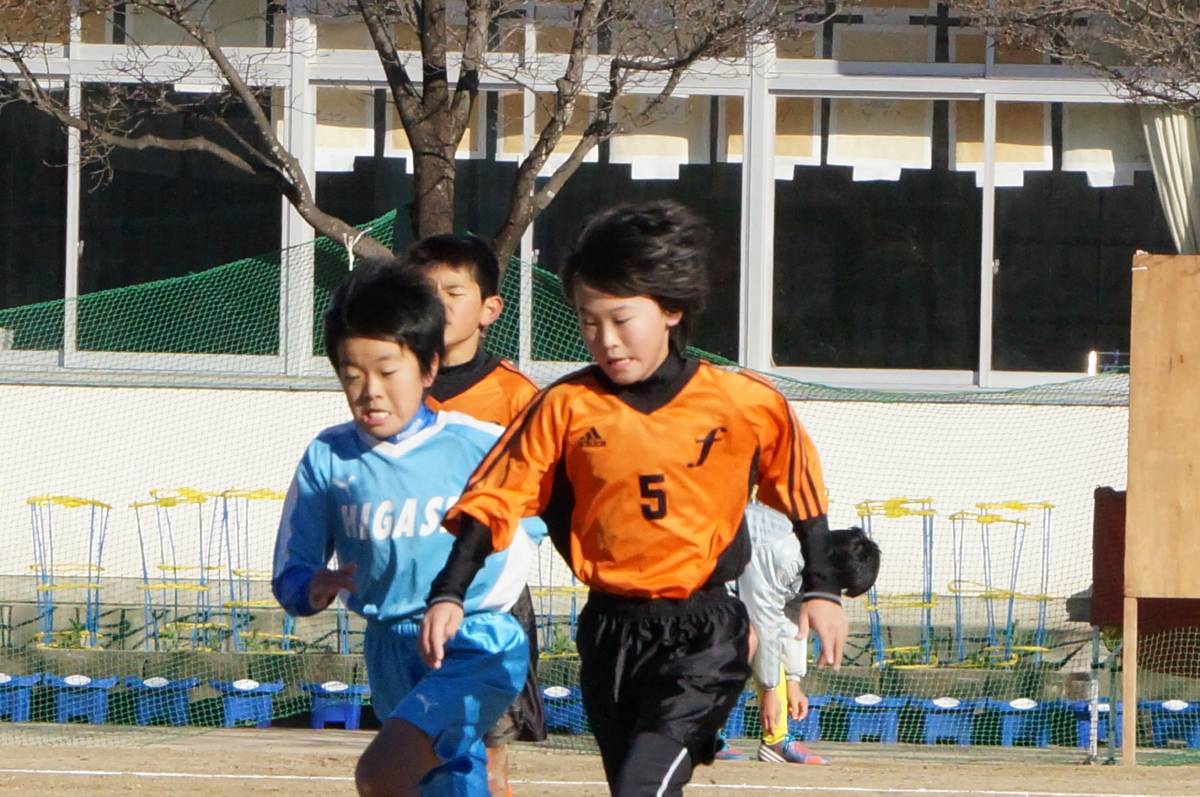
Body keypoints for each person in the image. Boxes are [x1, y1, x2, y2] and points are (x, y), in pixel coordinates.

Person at [420, 200, 849, 797]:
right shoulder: (564, 407)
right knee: (635, 783)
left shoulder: (744, 402)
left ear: (671, 309)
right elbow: (495, 497)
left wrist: (822, 588)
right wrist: (449, 592)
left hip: (705, 633)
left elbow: (802, 494)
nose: (606, 340)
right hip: (609, 632)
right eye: (589, 321)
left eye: (622, 319)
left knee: (642, 786)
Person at [271, 260, 543, 797]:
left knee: (382, 773)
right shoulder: (328, 457)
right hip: (389, 648)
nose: (369, 391)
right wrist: (311, 586)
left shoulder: (480, 445)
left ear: (428, 367)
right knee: (443, 783)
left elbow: (533, 525)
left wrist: (468, 597)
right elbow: (291, 569)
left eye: (387, 372)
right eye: (352, 376)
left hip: (477, 642)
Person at [404, 233, 545, 797]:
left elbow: (539, 496)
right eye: (426, 290)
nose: (437, 302)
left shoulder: (516, 396)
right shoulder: (397, 385)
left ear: (489, 309)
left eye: (453, 291)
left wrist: (505, 550)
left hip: (488, 594)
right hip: (412, 589)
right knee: (415, 748)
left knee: (488, 754)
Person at [737, 502, 880, 765]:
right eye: (838, 589)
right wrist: (770, 690)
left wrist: (793, 680)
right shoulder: (783, 556)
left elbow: (791, 622)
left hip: (714, 589)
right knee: (746, 638)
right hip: (678, 572)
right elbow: (762, 622)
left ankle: (774, 741)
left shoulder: (806, 568)